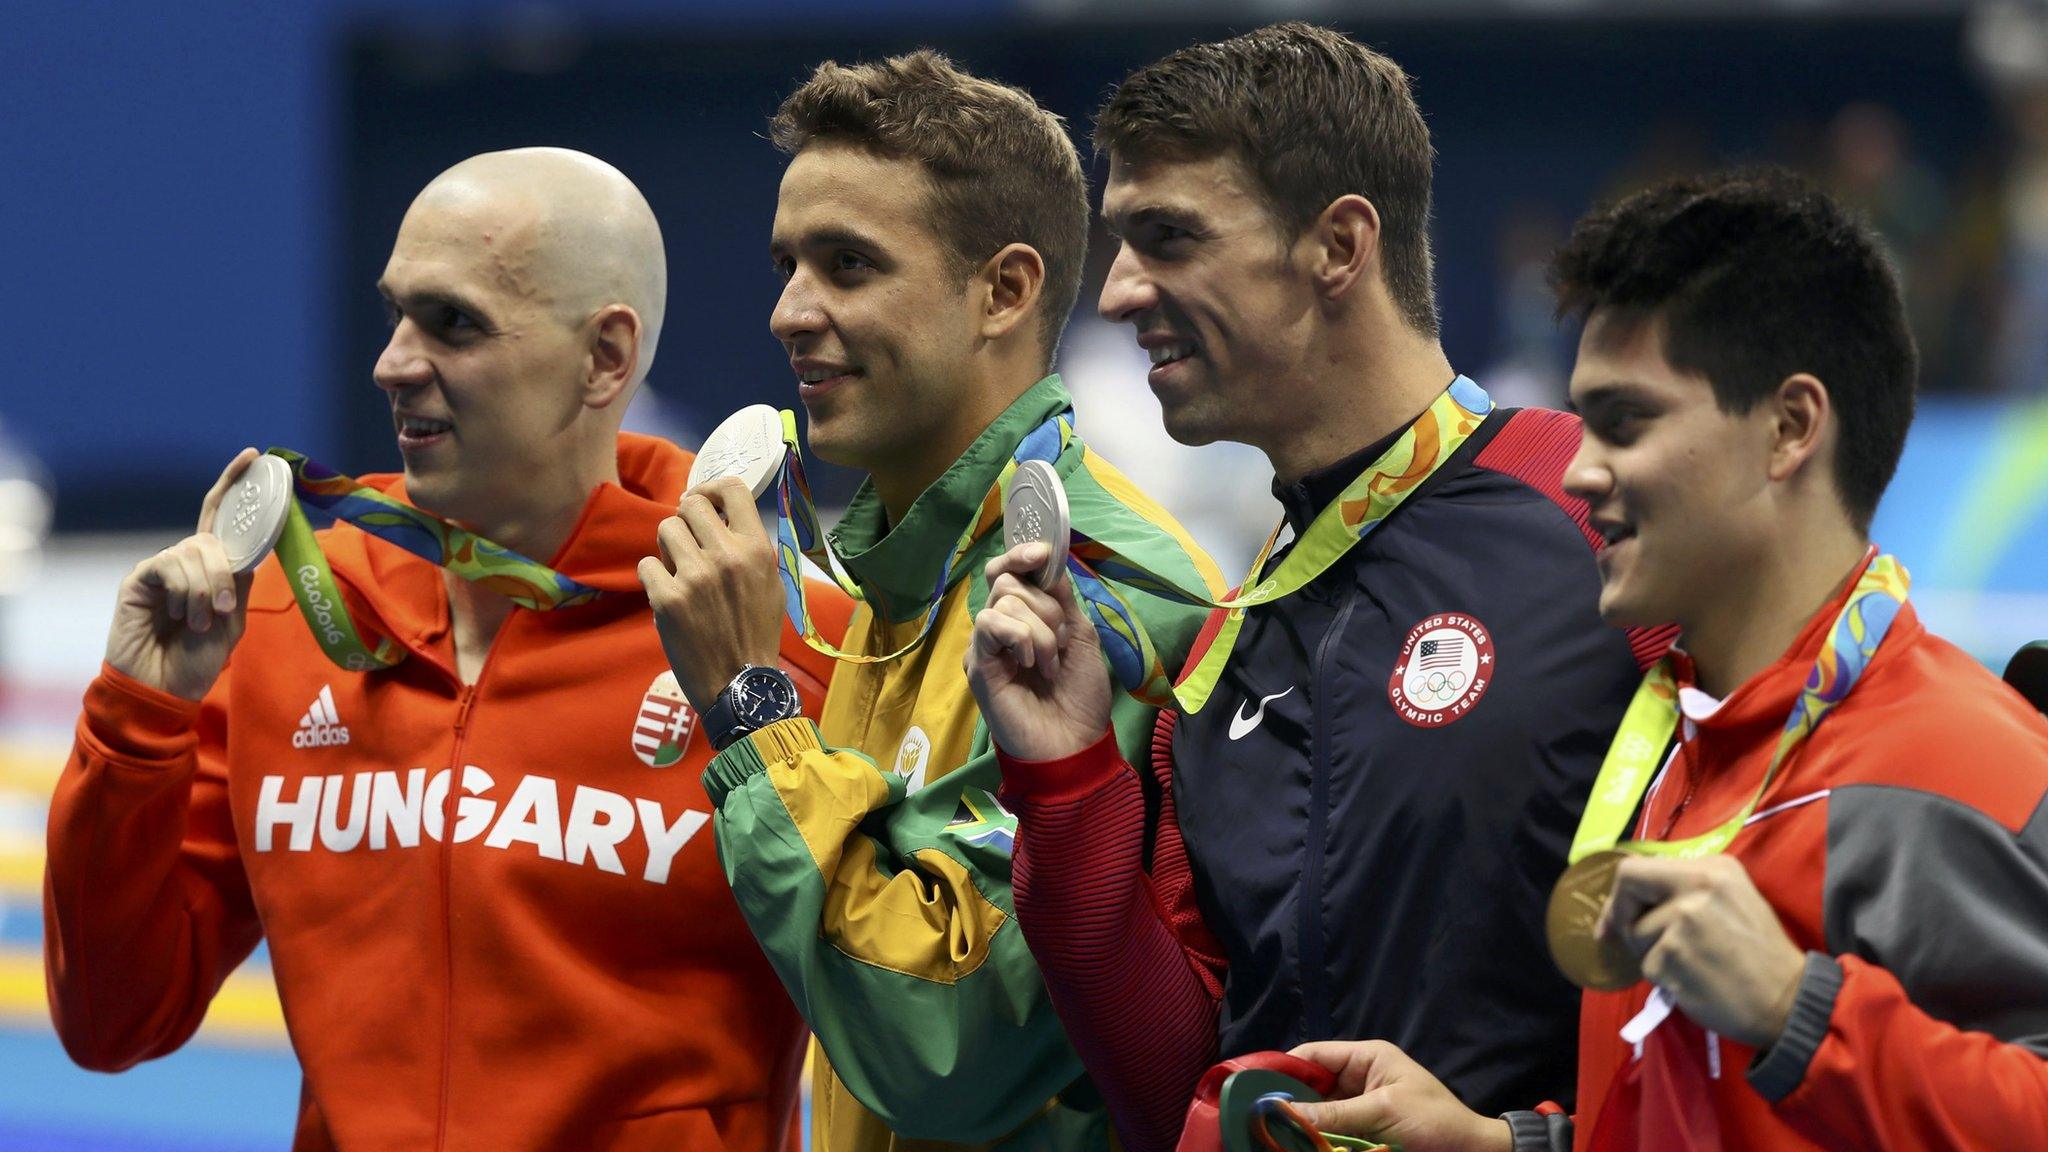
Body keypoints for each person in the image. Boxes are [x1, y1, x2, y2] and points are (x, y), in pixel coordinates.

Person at [43, 148, 851, 1151]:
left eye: (453, 323)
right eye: (395, 314)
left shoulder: (772, 651)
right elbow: (114, 1020)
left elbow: (898, 1034)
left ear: (604, 357)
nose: (392, 361)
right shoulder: (283, 622)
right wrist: (138, 719)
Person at [964, 22, 1675, 1152]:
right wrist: (1063, 779)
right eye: (1120, 242)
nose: (1118, 293)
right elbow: (1169, 1091)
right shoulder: (1220, 655)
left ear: (1337, 246)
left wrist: (1517, 1147)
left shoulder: (1601, 520)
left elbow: (1791, 992)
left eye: (1168, 238)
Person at [1286, 170, 2048, 1151]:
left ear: (1786, 428)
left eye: (1625, 422)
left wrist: (1790, 1011)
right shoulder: (1686, 750)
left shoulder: (1963, 767)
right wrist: (1495, 1143)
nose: (1578, 469)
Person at [638, 50, 1222, 1152]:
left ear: (1002, 291)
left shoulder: (1104, 601)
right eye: (787, 264)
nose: (787, 312)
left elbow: (946, 1048)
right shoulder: (901, 580)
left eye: (847, 265)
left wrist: (751, 710)